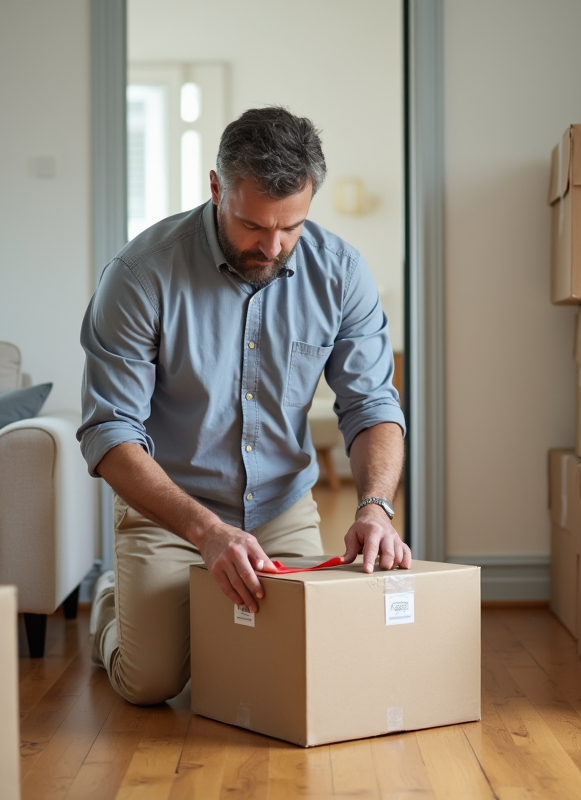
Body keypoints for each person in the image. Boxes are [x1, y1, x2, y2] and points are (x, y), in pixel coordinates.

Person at [77, 106, 407, 705]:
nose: (273, 247)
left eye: (291, 226)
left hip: (280, 507)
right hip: (171, 509)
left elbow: (372, 405)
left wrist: (376, 507)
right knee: (150, 682)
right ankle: (110, 605)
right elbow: (109, 431)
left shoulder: (341, 273)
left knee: (303, 667)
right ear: (216, 189)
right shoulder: (139, 275)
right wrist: (206, 531)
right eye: (253, 225)